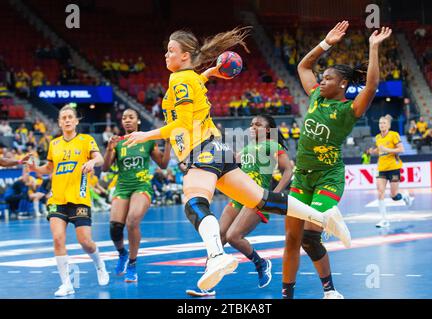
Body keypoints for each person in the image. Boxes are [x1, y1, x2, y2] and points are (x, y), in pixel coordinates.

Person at [123, 27, 351, 292]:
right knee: (261, 198)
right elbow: (196, 87)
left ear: (185, 56)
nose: (166, 54)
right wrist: (209, 73)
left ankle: (218, 257)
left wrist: (145, 135)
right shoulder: (191, 78)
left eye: (171, 50)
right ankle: (324, 216)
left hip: (202, 148)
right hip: (218, 148)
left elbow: (182, 123)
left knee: (194, 203)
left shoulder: (179, 80)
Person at [284, 22, 392, 299]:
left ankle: (330, 291)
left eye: (328, 78)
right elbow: (303, 68)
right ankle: (287, 294)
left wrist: (373, 47)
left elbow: (372, 84)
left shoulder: (349, 109)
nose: (322, 80)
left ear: (342, 84)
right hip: (302, 177)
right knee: (293, 239)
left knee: (310, 237)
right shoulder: (316, 97)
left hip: (328, 177)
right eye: (323, 77)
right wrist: (326, 43)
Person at [187, 114, 294, 297]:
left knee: (234, 236)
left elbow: (289, 169)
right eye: (251, 124)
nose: (253, 126)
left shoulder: (273, 145)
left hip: (257, 197)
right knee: (218, 237)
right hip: (239, 196)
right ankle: (206, 284)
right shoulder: (247, 148)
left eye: (258, 124)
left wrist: (275, 193)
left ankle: (261, 263)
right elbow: (229, 163)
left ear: (268, 130)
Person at [27, 104, 109, 297]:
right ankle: (66, 284)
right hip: (57, 198)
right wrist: (34, 168)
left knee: (85, 242)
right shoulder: (54, 144)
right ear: (59, 122)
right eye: (63, 118)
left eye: (70, 117)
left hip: (79, 198)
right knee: (58, 239)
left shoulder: (85, 140)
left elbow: (100, 159)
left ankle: (99, 264)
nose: (67, 120)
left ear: (76, 120)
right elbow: (49, 168)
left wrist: (92, 162)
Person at [102, 108, 172, 283]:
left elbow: (163, 164)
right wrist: (110, 149)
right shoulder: (117, 142)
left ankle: (132, 265)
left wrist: (168, 144)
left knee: (132, 221)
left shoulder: (147, 140)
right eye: (124, 118)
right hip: (122, 187)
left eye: (131, 117)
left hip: (141, 186)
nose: (127, 120)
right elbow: (104, 168)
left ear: (138, 121)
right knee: (114, 228)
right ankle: (122, 254)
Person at [370, 115, 411, 228]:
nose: (381, 125)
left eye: (383, 123)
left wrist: (387, 150)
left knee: (393, 195)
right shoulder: (378, 137)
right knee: (380, 192)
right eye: (380, 123)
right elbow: (379, 150)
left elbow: (401, 149)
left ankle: (404, 196)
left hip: (393, 168)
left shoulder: (394, 135)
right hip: (381, 169)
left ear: (388, 125)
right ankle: (384, 220)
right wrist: (373, 151)